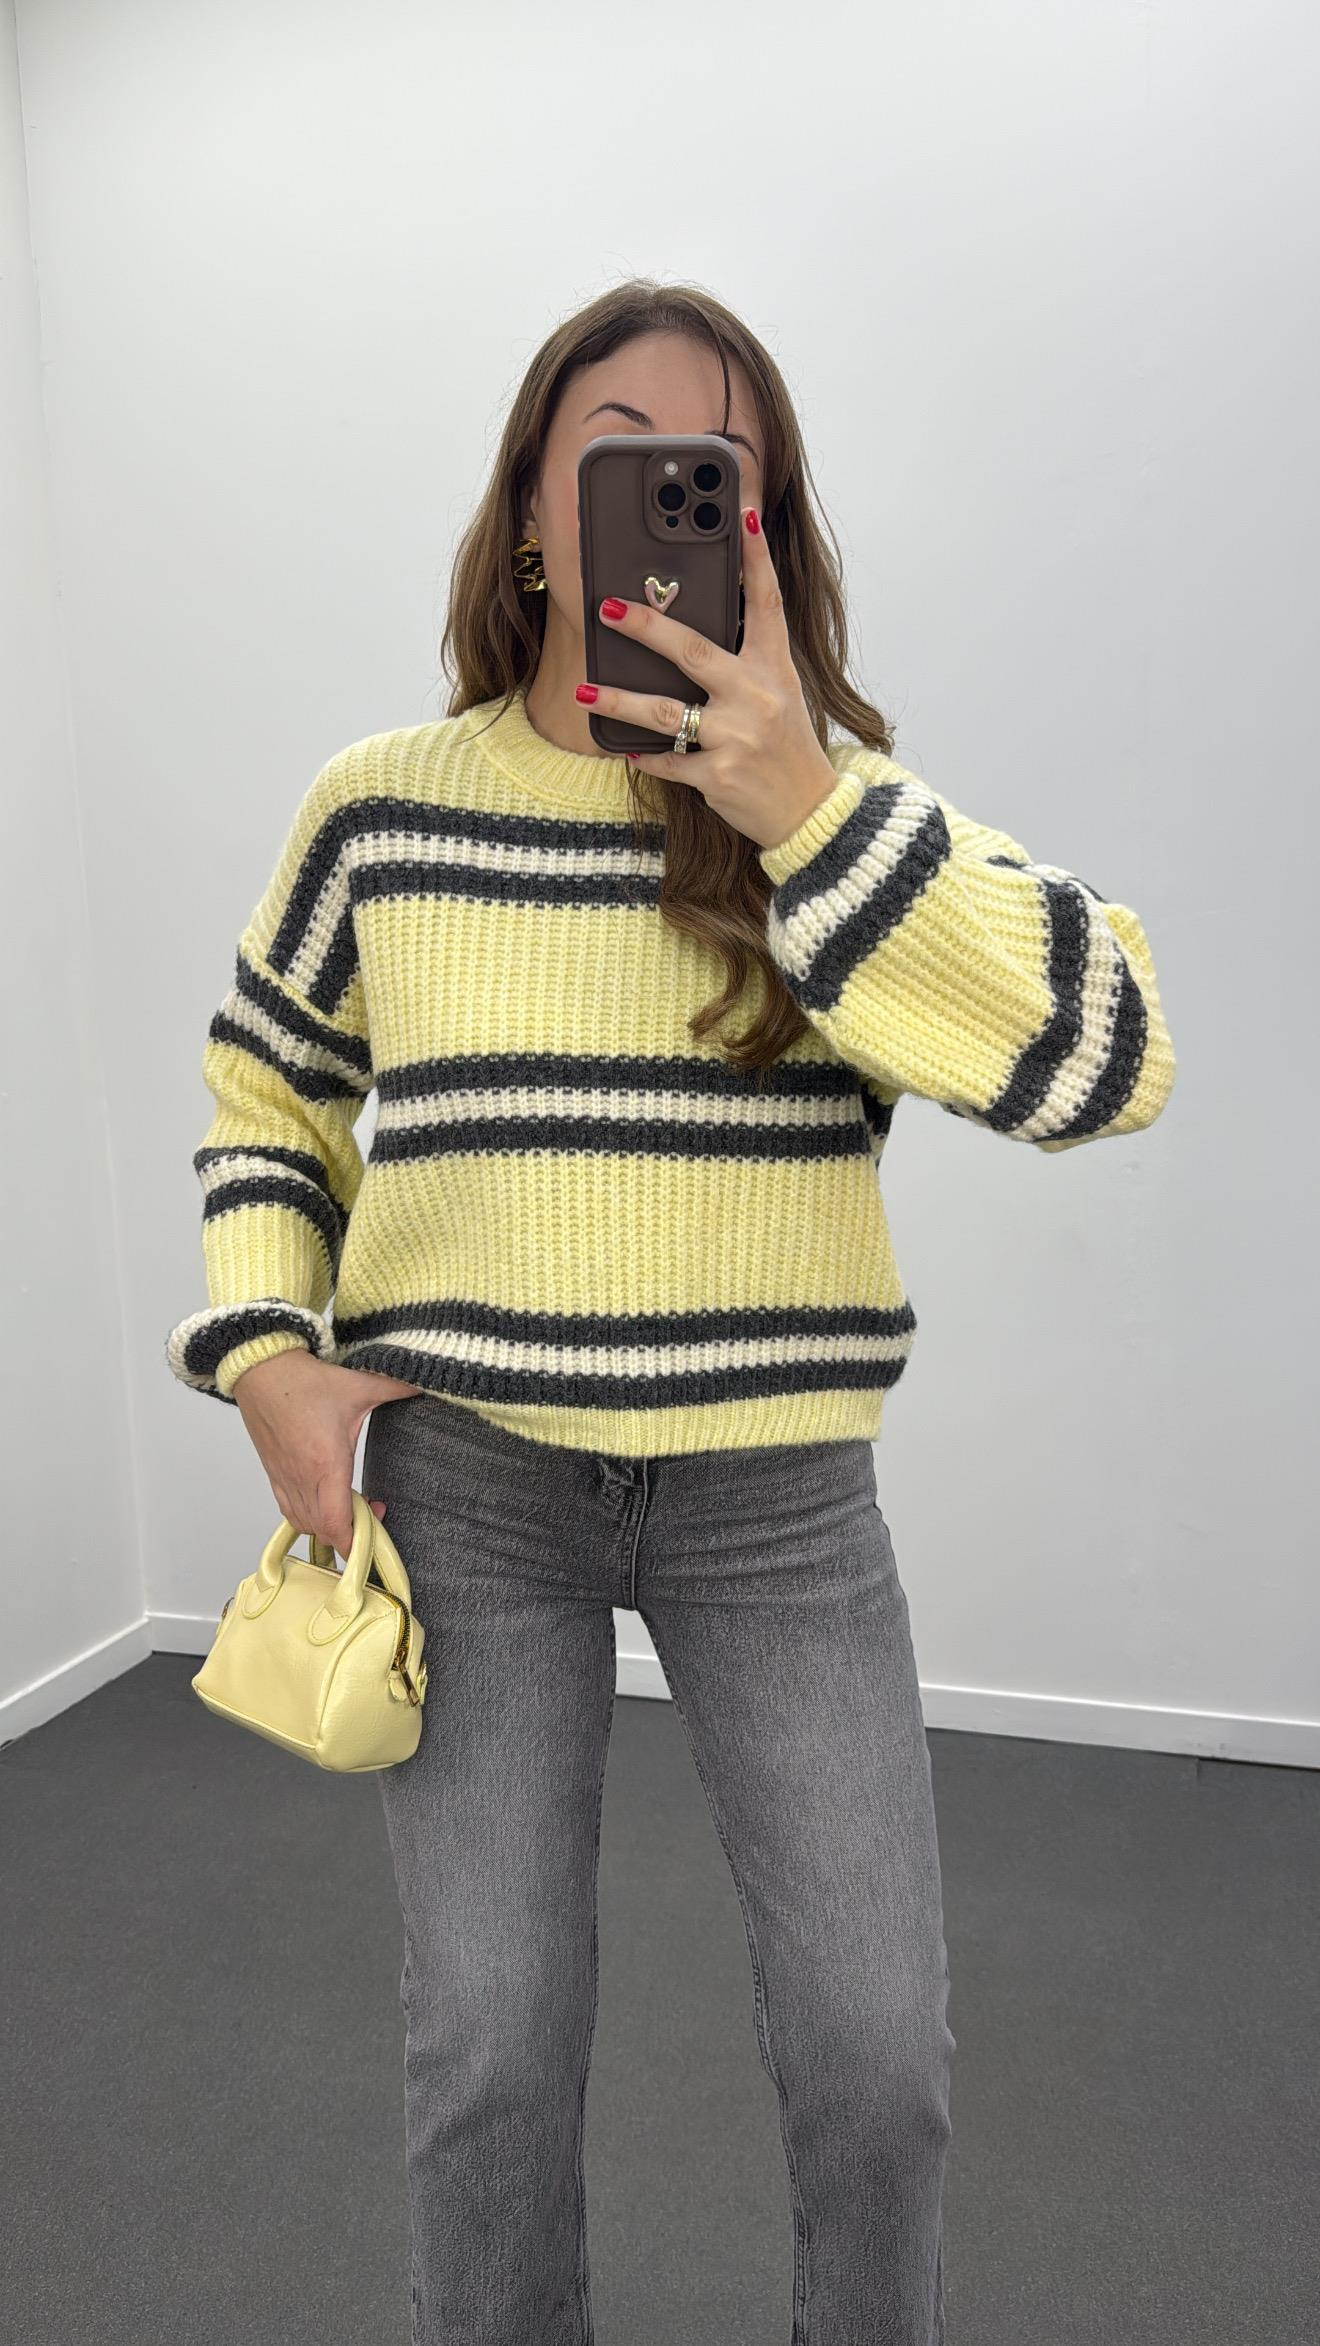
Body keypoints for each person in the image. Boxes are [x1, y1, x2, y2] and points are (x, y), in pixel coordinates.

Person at [166, 278, 1176, 2346]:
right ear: (538, 513)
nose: (660, 501)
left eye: (713, 473)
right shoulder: (383, 804)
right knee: (492, 2056)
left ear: (758, 534)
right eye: (617, 454)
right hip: (471, 1489)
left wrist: (806, 807)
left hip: (775, 1504)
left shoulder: (837, 814)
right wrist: (264, 1350)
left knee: (879, 2063)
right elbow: (270, 1085)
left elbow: (1111, 1058)